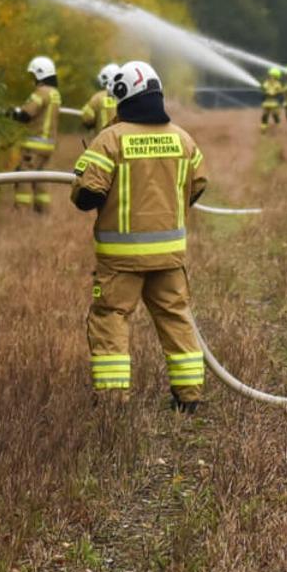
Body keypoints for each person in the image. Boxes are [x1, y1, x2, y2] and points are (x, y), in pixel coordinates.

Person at [71, 61, 211, 412]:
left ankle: (113, 400)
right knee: (175, 317)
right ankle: (189, 396)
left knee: (111, 317)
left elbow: (86, 196)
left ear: (122, 95)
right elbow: (198, 185)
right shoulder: (183, 139)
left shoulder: (110, 140)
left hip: (121, 260)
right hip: (169, 257)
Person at [7, 55, 62, 212]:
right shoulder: (55, 93)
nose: (33, 80)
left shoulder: (41, 93)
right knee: (40, 177)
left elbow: (26, 114)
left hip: (35, 144)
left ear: (40, 74)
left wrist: (11, 113)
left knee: (23, 176)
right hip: (48, 145)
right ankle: (42, 210)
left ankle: (22, 210)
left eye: (33, 75)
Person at [79, 63, 121, 137]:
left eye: (104, 77)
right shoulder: (127, 97)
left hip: (103, 139)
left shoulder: (98, 98)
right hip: (122, 139)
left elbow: (87, 117)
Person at [259, 67, 285, 133]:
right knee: (265, 114)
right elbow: (264, 90)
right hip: (267, 102)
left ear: (276, 77)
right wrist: (265, 92)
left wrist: (275, 94)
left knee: (274, 114)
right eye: (270, 75)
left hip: (274, 102)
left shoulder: (278, 84)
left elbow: (280, 94)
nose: (270, 77)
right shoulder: (266, 83)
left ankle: (277, 125)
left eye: (272, 76)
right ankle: (263, 127)